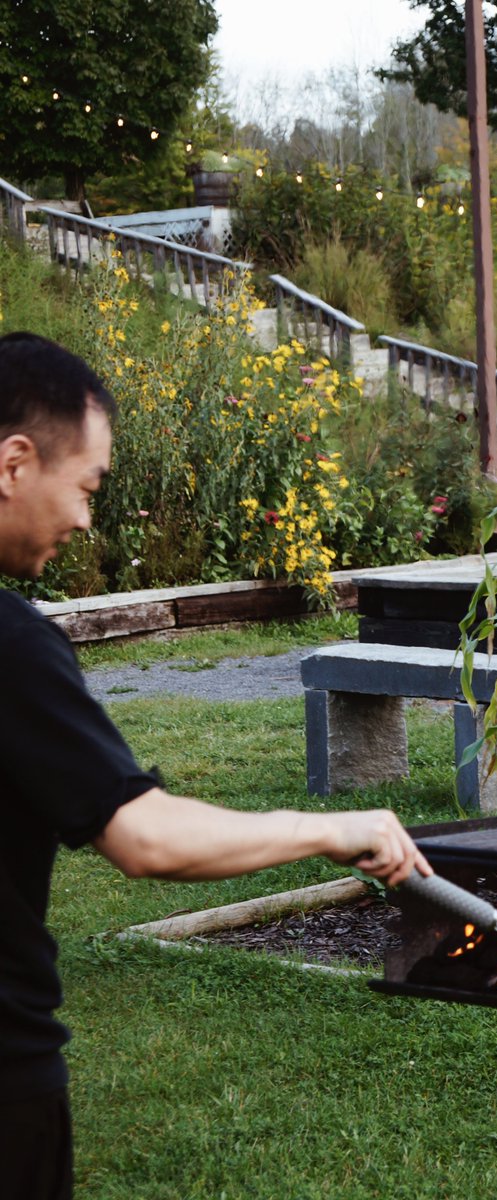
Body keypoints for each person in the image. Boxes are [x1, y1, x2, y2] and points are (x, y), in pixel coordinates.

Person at [0, 331, 431, 1200]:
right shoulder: (10, 646)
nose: (86, 519)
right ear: (15, 461)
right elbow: (145, 836)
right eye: (86, 487)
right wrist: (336, 827)